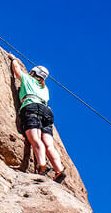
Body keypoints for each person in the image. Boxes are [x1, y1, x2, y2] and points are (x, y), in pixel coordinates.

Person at [7, 54, 66, 183]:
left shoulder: (28, 79)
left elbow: (17, 71)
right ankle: (59, 170)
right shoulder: (45, 88)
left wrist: (13, 59)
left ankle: (42, 165)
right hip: (47, 112)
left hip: (32, 106)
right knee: (49, 145)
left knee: (35, 138)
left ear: (34, 72)